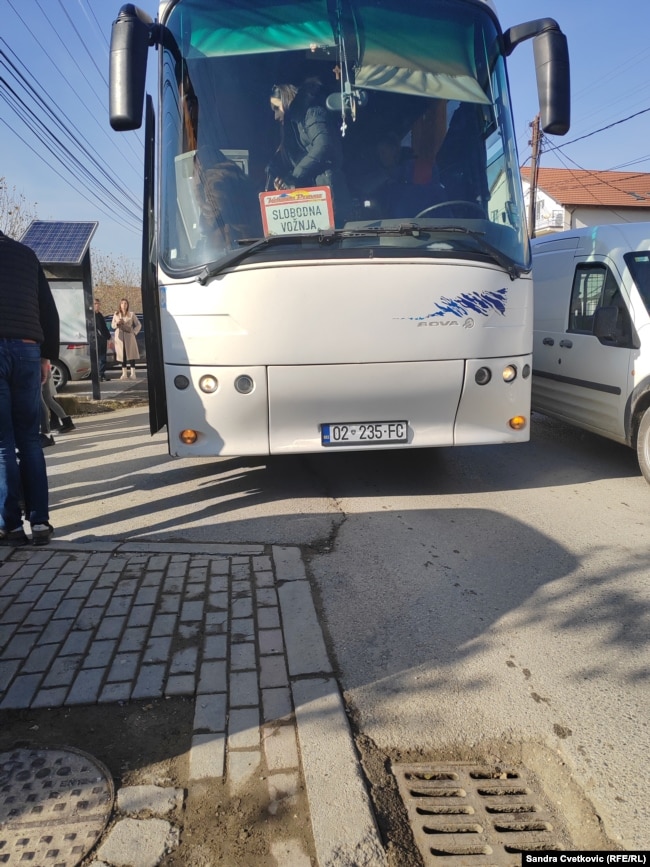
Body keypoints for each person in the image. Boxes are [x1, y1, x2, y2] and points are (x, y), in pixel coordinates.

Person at [0, 229, 59, 547]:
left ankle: (9, 526)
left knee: (1, 445)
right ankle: (39, 523)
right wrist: (47, 355)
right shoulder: (25, 254)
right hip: (27, 350)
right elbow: (48, 309)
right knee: (30, 441)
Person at [266, 78, 351, 222]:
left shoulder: (311, 113)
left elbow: (323, 146)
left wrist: (295, 177)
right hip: (320, 196)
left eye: (276, 108)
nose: (275, 116)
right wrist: (286, 183)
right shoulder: (297, 124)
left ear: (286, 101)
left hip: (330, 192)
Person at [40, 367, 74, 447]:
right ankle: (67, 422)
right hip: (44, 369)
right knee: (48, 399)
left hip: (38, 370)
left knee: (42, 401)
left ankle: (46, 433)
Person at [112, 298, 141, 380]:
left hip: (129, 336)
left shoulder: (131, 314)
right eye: (122, 303)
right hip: (120, 337)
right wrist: (117, 323)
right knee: (122, 354)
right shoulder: (116, 314)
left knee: (131, 354)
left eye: (125, 303)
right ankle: (124, 373)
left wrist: (134, 332)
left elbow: (138, 324)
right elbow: (112, 325)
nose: (124, 305)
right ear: (120, 305)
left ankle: (133, 373)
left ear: (127, 305)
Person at [94, 298, 112, 381]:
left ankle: (102, 374)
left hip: (103, 340)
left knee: (103, 358)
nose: (97, 305)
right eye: (95, 303)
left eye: (98, 303)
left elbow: (104, 327)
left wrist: (109, 337)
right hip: (96, 340)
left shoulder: (100, 315)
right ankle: (98, 375)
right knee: (98, 358)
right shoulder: (91, 316)